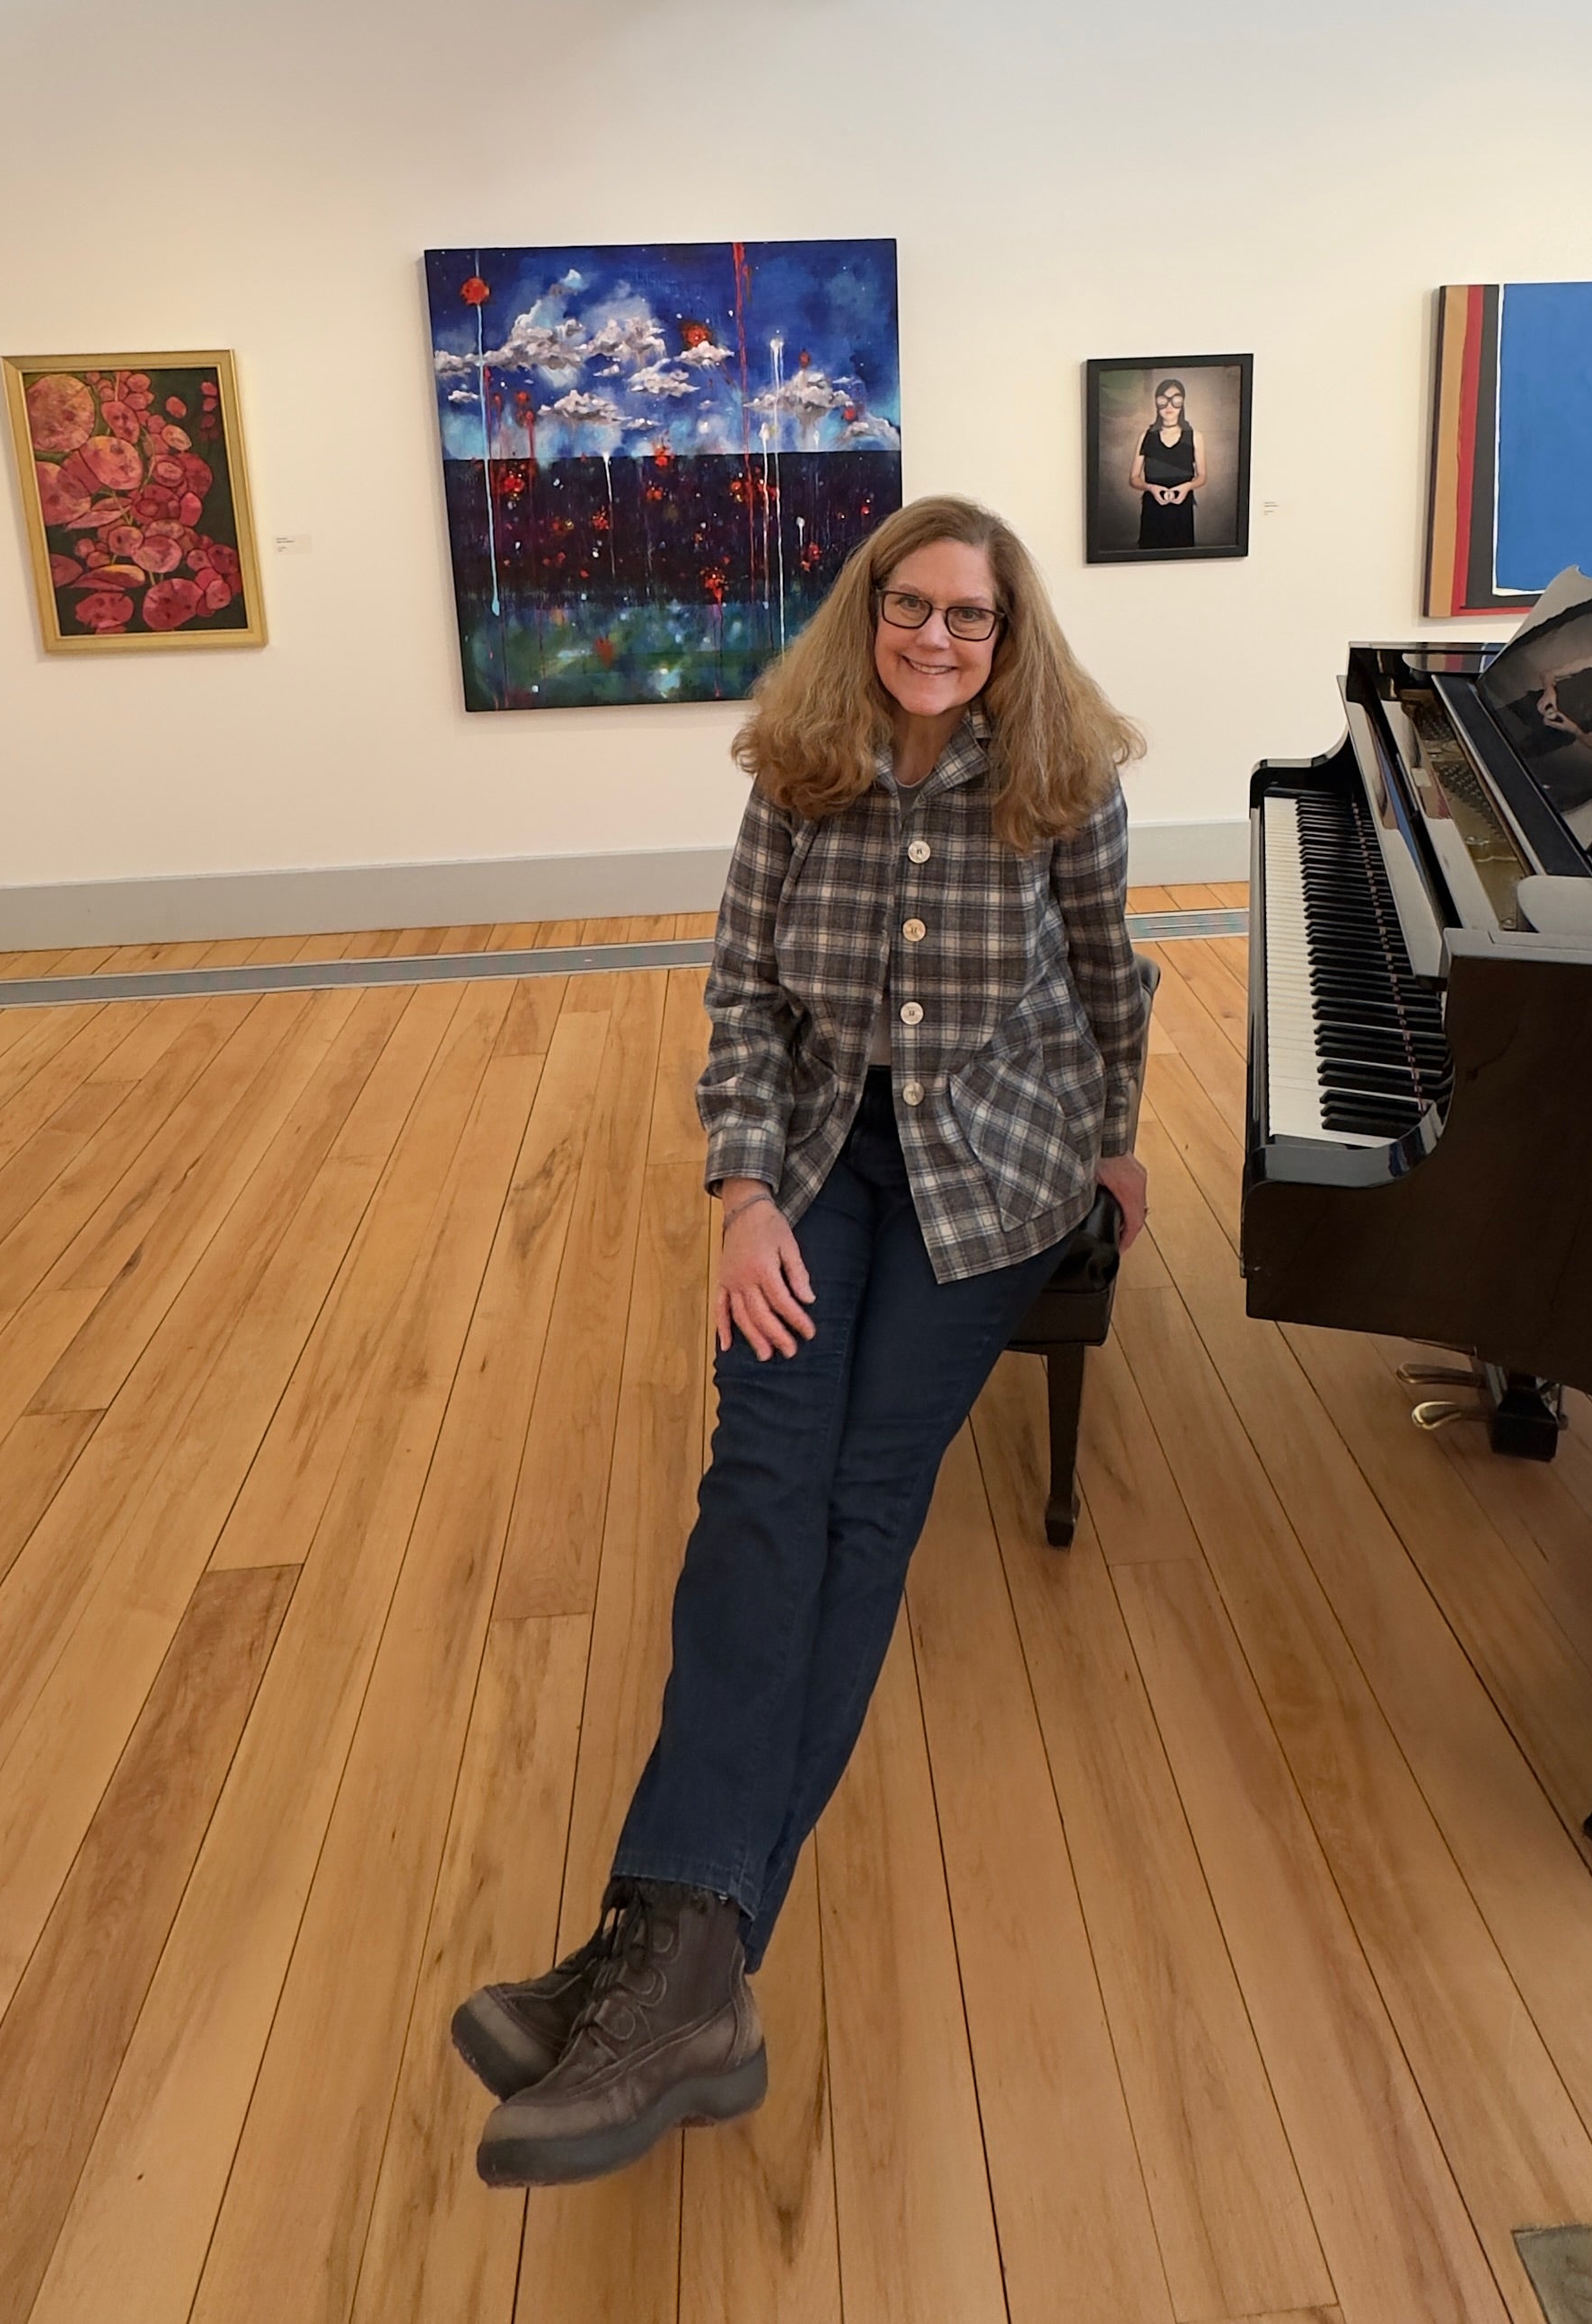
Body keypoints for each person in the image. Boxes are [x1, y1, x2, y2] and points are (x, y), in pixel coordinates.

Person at [450, 494, 1149, 2188]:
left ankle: (650, 1954)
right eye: (908, 606)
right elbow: (744, 996)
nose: (932, 638)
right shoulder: (793, 772)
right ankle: (686, 1970)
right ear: (865, 611)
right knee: (759, 1478)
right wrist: (744, 1193)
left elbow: (1107, 974)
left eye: (967, 619)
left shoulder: (1065, 785)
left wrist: (1114, 1137)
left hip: (995, 1173)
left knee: (860, 1501)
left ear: (1006, 639)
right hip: (827, 1151)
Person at [1130, 376, 1204, 550]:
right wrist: (1151, 488)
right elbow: (1133, 478)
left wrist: (1186, 487)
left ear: (1182, 402)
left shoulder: (1195, 436)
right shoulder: (1146, 436)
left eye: (1175, 399)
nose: (1169, 406)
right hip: (1152, 511)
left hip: (1182, 511)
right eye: (1164, 400)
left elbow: (1202, 476)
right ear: (1157, 403)